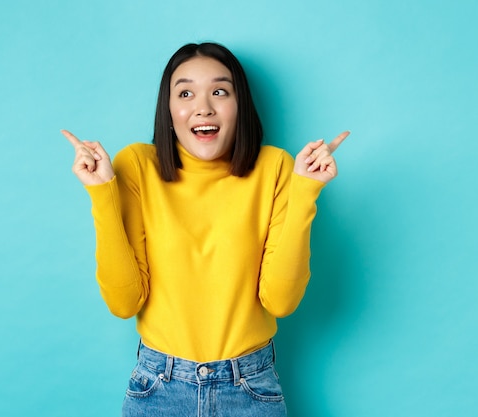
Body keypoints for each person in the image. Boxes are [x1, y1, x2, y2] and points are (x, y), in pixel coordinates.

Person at [63, 42, 349, 416]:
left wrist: (304, 191)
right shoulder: (137, 165)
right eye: (185, 93)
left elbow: (281, 302)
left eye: (219, 91)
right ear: (168, 109)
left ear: (239, 105)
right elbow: (123, 303)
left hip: (250, 388)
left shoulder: (275, 168)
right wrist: (102, 193)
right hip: (159, 387)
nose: (203, 107)